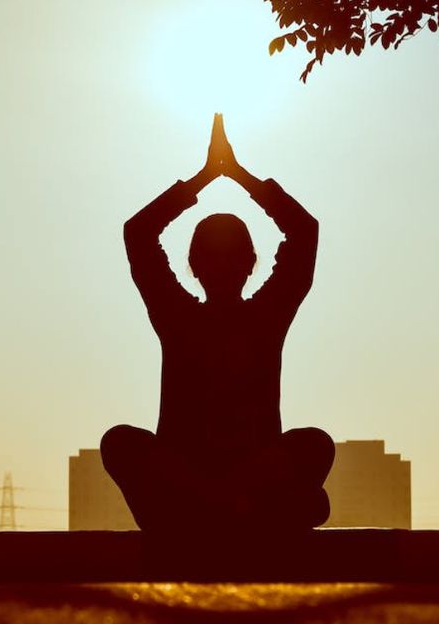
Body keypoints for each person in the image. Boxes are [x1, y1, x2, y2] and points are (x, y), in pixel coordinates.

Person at [101, 114, 334, 534]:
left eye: (230, 258)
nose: (223, 267)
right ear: (195, 266)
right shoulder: (180, 316)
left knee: (315, 444)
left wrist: (230, 175)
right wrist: (213, 177)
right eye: (215, 257)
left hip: (235, 483)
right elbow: (137, 234)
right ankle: (229, 506)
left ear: (247, 265)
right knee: (119, 442)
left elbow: (305, 232)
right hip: (196, 484)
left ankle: (222, 504)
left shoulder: (262, 316)